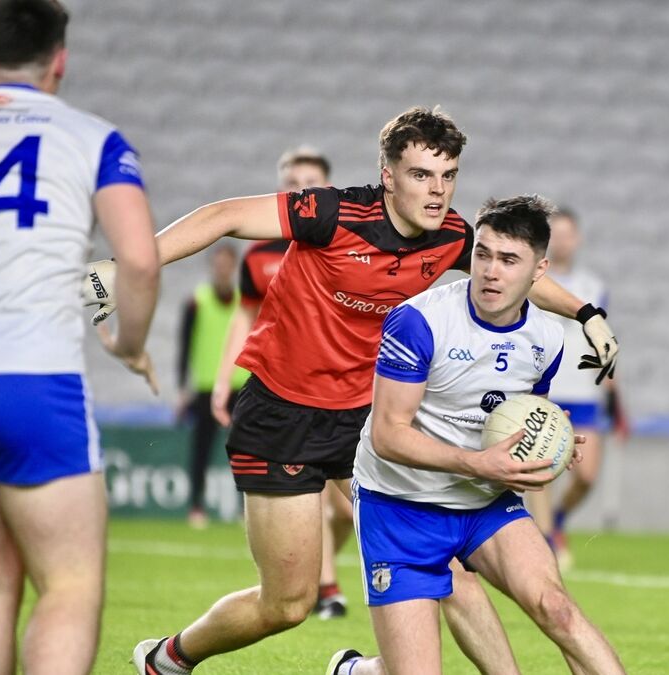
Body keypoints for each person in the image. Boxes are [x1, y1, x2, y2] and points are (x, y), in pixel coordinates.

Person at [88, 106, 619, 674]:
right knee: (288, 604)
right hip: (282, 416)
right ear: (388, 175)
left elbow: (518, 275)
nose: (437, 191)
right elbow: (224, 216)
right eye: (421, 175)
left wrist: (587, 314)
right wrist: (128, 268)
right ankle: (170, 658)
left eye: (448, 176)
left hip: (366, 422)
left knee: (450, 570)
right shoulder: (332, 212)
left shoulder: (450, 236)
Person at [0, 1, 160, 673]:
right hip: (31, 379)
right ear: (60, 59)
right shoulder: (92, 139)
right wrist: (127, 342)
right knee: (69, 584)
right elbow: (137, 260)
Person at [326, 195, 626, 675]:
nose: (490, 271)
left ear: (539, 270)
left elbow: (520, 413)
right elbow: (387, 435)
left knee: (557, 608)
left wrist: (549, 441)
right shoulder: (420, 321)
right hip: (400, 506)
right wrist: (478, 463)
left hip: (482, 503)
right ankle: (356, 671)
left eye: (509, 260)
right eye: (483, 254)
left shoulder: (548, 339)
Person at [208, 146, 352, 617]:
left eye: (310, 182)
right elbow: (244, 318)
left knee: (345, 511)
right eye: (292, 182)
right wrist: (224, 381)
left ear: (328, 188)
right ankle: (327, 589)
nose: (300, 190)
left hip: (347, 395)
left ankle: (323, 578)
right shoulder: (259, 256)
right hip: (287, 398)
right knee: (321, 501)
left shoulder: (349, 244)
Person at [526, 207, 629, 568]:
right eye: (556, 234)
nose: (562, 241)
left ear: (578, 238)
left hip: (585, 391)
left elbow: (603, 340)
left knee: (587, 475)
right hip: (545, 388)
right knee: (541, 470)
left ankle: (557, 520)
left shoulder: (593, 286)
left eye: (568, 234)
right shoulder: (531, 279)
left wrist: (615, 394)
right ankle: (544, 541)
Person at [176, 243, 242, 528]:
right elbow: (185, 345)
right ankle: (196, 506)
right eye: (219, 264)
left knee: (245, 452)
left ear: (234, 266)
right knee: (201, 451)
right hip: (206, 387)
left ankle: (245, 509)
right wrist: (182, 388)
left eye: (227, 264)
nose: (223, 269)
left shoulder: (245, 302)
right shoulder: (197, 301)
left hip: (240, 386)